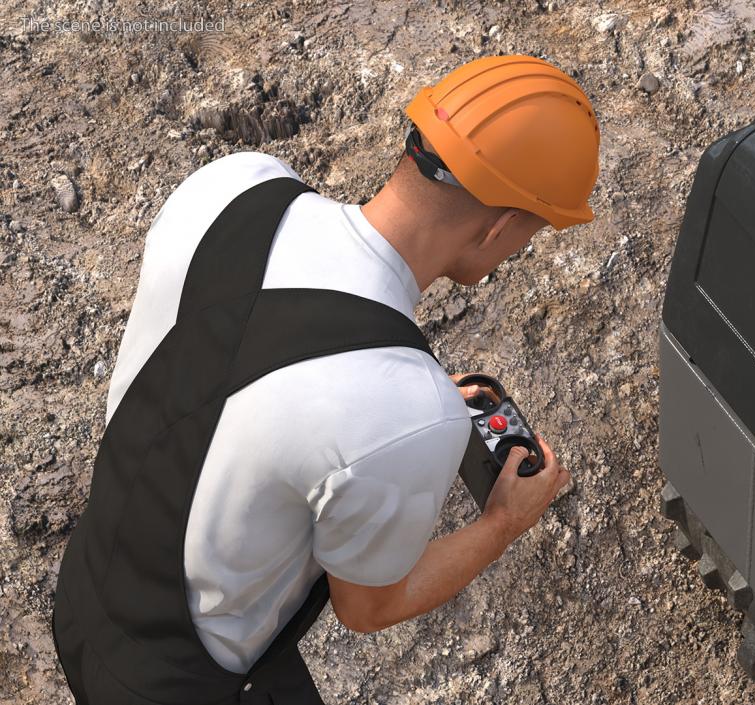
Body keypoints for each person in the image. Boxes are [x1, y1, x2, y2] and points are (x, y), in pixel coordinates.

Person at [51, 55, 599, 704]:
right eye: (529, 234)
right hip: (179, 686)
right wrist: (503, 520)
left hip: (88, 583)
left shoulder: (232, 185)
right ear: (499, 227)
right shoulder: (405, 409)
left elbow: (224, 348)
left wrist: (384, 404)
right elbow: (368, 607)